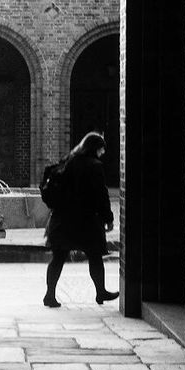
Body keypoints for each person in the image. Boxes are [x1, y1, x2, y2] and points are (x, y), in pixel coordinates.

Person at [42, 131, 119, 307]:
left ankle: (50, 295)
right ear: (95, 148)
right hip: (86, 220)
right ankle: (101, 292)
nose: (103, 153)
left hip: (62, 219)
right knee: (95, 256)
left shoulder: (67, 161)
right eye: (101, 149)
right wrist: (108, 218)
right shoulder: (94, 166)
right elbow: (101, 194)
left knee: (58, 257)